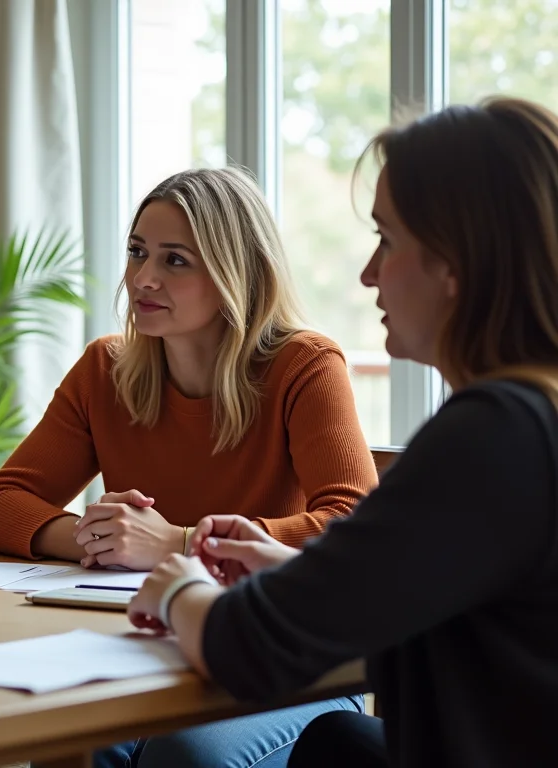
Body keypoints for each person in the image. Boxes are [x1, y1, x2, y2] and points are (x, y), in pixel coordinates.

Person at [127, 96, 558, 768]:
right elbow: (447, 586)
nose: (368, 273)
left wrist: (177, 584)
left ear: (453, 262)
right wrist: (301, 569)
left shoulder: (495, 434)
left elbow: (246, 646)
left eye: (387, 239)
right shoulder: (533, 422)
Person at [0, 166, 377, 767]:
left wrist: (177, 545)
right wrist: (95, 535)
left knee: (183, 754)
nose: (143, 278)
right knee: (73, 737)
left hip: (285, 659)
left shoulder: (304, 366)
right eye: (137, 253)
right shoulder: (105, 369)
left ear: (237, 271)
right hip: (148, 649)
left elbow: (351, 525)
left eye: (175, 260)